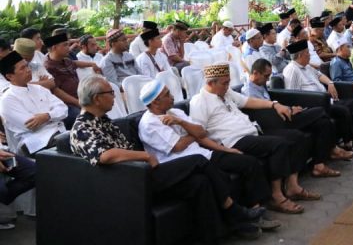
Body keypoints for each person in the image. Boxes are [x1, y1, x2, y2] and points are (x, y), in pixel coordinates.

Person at [70, 76, 263, 242]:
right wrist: (144, 155)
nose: (114, 96)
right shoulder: (82, 128)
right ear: (97, 99)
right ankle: (234, 211)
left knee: (200, 183)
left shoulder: (104, 121)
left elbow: (199, 133)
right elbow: (105, 156)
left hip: (140, 171)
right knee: (198, 161)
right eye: (110, 92)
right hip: (131, 181)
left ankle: (214, 235)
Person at [137, 80, 280, 233]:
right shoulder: (149, 123)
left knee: (248, 162)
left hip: (204, 155)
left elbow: (202, 132)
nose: (172, 97)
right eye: (167, 94)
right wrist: (193, 134)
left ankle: (255, 213)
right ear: (155, 102)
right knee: (210, 179)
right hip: (182, 166)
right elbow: (178, 146)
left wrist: (181, 123)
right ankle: (238, 216)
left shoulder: (175, 113)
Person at [189, 63, 316, 214]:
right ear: (211, 83)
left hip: (252, 133)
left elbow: (248, 101)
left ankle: (292, 186)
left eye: (228, 81)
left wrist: (274, 104)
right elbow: (199, 135)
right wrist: (225, 150)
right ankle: (276, 196)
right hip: (234, 140)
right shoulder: (199, 101)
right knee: (278, 145)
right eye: (225, 83)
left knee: (295, 137)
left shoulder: (225, 92)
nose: (228, 86)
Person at [242, 58, 353, 177]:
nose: (268, 79)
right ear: (255, 73)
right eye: (266, 76)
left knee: (323, 123)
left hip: (283, 115)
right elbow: (264, 112)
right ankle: (333, 148)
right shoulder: (249, 91)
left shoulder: (260, 84)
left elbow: (273, 104)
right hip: (277, 122)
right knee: (321, 110)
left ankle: (319, 166)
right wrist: (290, 110)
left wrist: (290, 108)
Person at [280, 41, 353, 151]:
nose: (310, 55)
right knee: (343, 110)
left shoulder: (307, 66)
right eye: (308, 53)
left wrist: (330, 83)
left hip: (326, 99)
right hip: (313, 104)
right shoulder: (292, 70)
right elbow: (292, 95)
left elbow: (320, 75)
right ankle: (348, 142)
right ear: (300, 55)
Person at [0, 51, 67, 155]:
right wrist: (53, 115)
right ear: (10, 76)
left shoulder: (39, 88)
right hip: (35, 142)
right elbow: (31, 125)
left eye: (27, 66)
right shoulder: (7, 99)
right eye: (22, 68)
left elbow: (63, 109)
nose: (28, 70)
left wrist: (47, 116)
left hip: (59, 132)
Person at [43, 33, 85, 128]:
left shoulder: (66, 60)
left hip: (80, 98)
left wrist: (92, 64)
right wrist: (78, 103)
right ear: (54, 48)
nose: (68, 47)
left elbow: (75, 63)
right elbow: (56, 91)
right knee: (83, 117)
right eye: (65, 45)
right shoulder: (48, 67)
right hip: (66, 105)